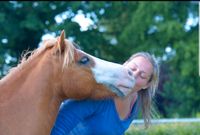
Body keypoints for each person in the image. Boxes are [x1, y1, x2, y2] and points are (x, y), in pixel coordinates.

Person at [50, 51, 160, 135]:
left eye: (142, 75)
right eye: (133, 67)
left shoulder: (135, 102)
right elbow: (57, 129)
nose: (134, 74)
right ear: (124, 65)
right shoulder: (97, 94)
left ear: (146, 85)